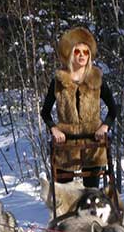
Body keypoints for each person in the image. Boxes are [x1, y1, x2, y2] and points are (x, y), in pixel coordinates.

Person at [41, 26, 118, 188]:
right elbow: (45, 112)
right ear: (69, 53)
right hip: (66, 144)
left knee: (92, 193)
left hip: (93, 143)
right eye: (77, 51)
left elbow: (113, 108)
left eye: (86, 51)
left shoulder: (96, 79)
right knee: (64, 193)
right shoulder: (59, 82)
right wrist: (54, 129)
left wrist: (104, 127)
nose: (82, 55)